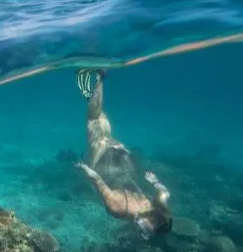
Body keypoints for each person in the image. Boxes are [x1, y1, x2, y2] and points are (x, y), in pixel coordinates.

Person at [74, 68, 173, 237]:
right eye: (147, 230)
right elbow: (98, 181)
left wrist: (155, 182)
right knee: (93, 118)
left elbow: (164, 193)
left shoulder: (157, 206)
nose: (144, 231)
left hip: (125, 159)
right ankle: (100, 77)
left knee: (100, 121)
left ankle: (93, 93)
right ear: (151, 224)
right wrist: (84, 168)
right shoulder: (119, 207)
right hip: (104, 161)